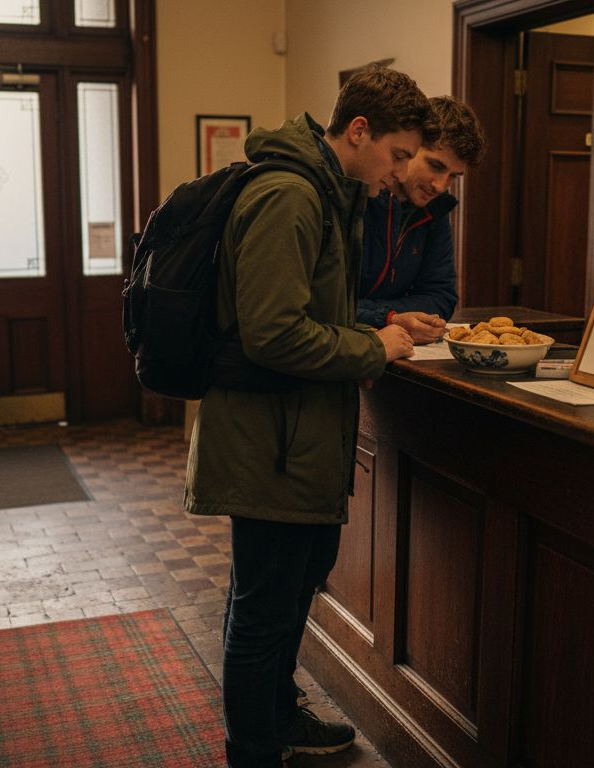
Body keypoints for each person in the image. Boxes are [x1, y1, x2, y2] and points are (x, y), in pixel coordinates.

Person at [184, 67, 427, 768]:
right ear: (359, 131)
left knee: (290, 588)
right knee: (262, 607)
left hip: (295, 438)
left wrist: (373, 323)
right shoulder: (290, 194)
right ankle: (252, 751)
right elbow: (272, 332)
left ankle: (276, 720)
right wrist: (370, 345)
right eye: (398, 154)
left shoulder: (325, 191)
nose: (401, 172)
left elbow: (311, 310)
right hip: (267, 440)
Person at [358, 96, 486, 344]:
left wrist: (385, 316)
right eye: (435, 166)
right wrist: (390, 316)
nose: (441, 186)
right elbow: (324, 303)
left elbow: (441, 296)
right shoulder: (359, 194)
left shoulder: (434, 207)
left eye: (453, 177)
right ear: (411, 147)